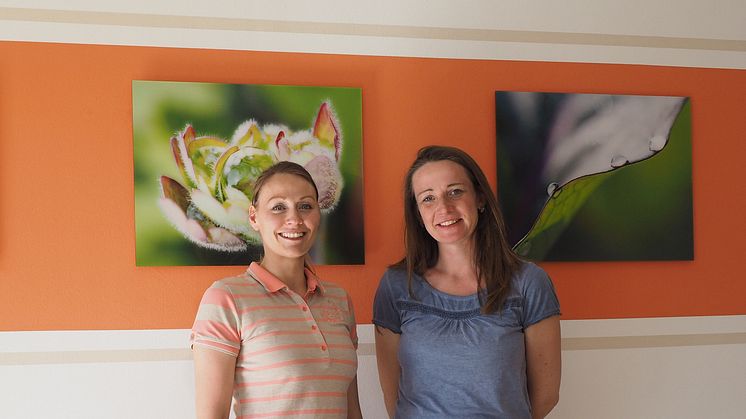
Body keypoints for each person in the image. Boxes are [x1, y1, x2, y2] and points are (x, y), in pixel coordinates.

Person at [373, 145, 561, 419]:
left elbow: (546, 396)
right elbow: (394, 399)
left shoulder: (529, 282)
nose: (444, 208)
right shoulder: (396, 286)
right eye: (428, 198)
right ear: (417, 213)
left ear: (480, 198)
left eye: (455, 191)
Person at [191, 161, 362, 419]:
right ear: (253, 217)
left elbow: (352, 410)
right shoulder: (226, 298)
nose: (294, 219)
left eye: (305, 206)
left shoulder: (340, 300)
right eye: (278, 207)